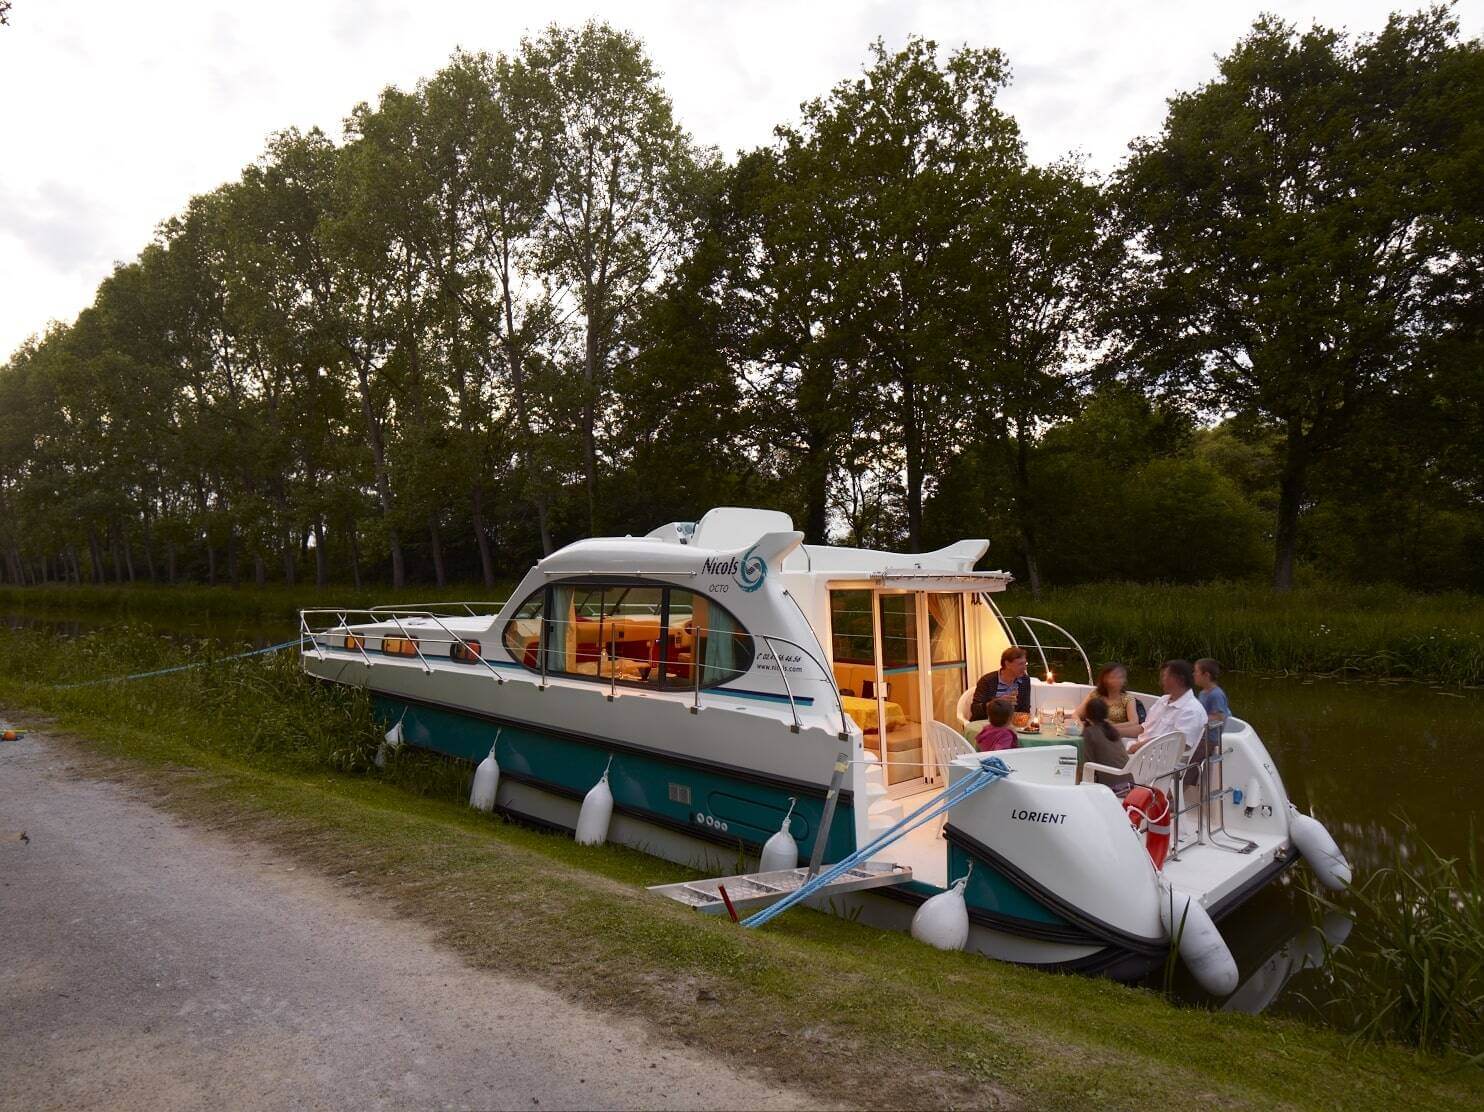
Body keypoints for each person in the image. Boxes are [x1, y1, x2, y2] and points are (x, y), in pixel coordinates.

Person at [1130, 659, 1206, 753]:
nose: (1161, 681)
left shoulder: (1191, 710)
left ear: (1180, 680)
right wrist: (1114, 731)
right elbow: (1143, 728)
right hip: (1138, 750)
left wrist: (1139, 747)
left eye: (1165, 676)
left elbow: (1179, 745)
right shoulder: (1163, 700)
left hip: (1158, 761)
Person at [1080, 696, 1132, 794]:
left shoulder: (1090, 733)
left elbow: (1087, 765)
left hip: (1113, 789)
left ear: (1087, 714)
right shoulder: (1112, 730)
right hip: (1129, 784)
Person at [1076, 662, 1141, 738]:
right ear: (1105, 679)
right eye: (1113, 677)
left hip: (1116, 733)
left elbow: (1134, 722)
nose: (1117, 680)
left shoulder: (1128, 698)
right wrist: (1081, 726)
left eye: (1121, 677)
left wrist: (1109, 727)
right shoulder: (1095, 695)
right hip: (1093, 730)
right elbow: (1076, 714)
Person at [970, 646, 1031, 720]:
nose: (1024, 668)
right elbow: (975, 710)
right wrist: (996, 703)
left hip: (1012, 724)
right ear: (1007, 664)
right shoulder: (987, 680)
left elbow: (1025, 709)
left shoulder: (1024, 680)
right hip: (987, 723)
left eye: (1025, 663)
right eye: (1020, 664)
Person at [1194, 658, 1231, 723]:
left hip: (1213, 732)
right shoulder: (1202, 693)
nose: (1193, 674)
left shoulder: (1216, 695)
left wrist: (1198, 719)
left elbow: (1220, 717)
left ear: (1206, 675)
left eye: (1196, 672)